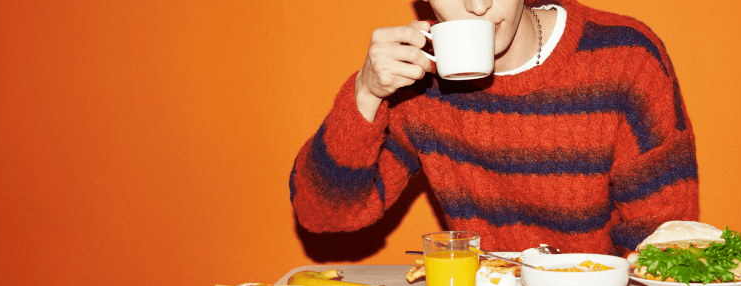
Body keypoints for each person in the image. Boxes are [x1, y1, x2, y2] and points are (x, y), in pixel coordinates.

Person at [290, 0, 698, 255]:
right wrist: (365, 93)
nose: (479, 5)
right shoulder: (418, 81)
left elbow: (664, 243)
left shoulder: (624, 57)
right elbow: (324, 214)